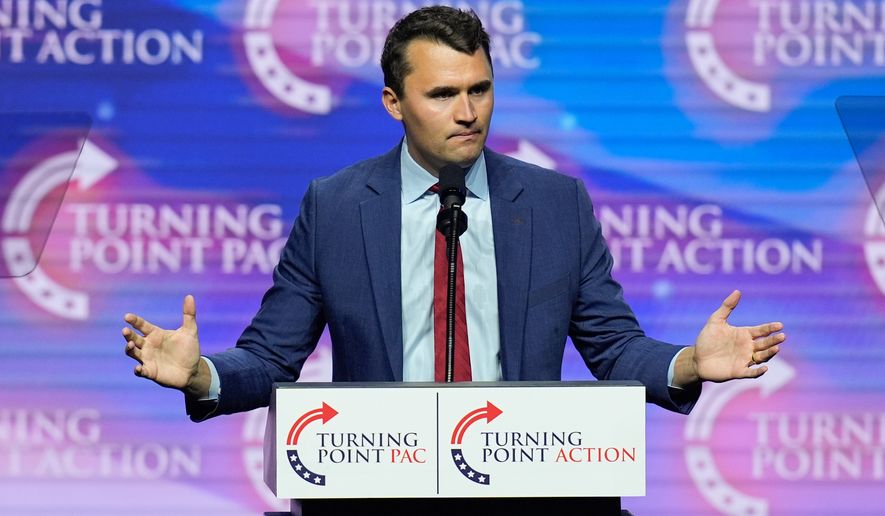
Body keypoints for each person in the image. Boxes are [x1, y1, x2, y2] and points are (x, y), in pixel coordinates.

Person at [121, 6, 785, 514]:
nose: (467, 113)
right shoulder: (336, 208)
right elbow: (270, 358)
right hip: (376, 493)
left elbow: (612, 347)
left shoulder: (554, 202)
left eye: (480, 89)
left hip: (534, 491)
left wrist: (689, 363)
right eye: (442, 94)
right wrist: (200, 372)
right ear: (393, 102)